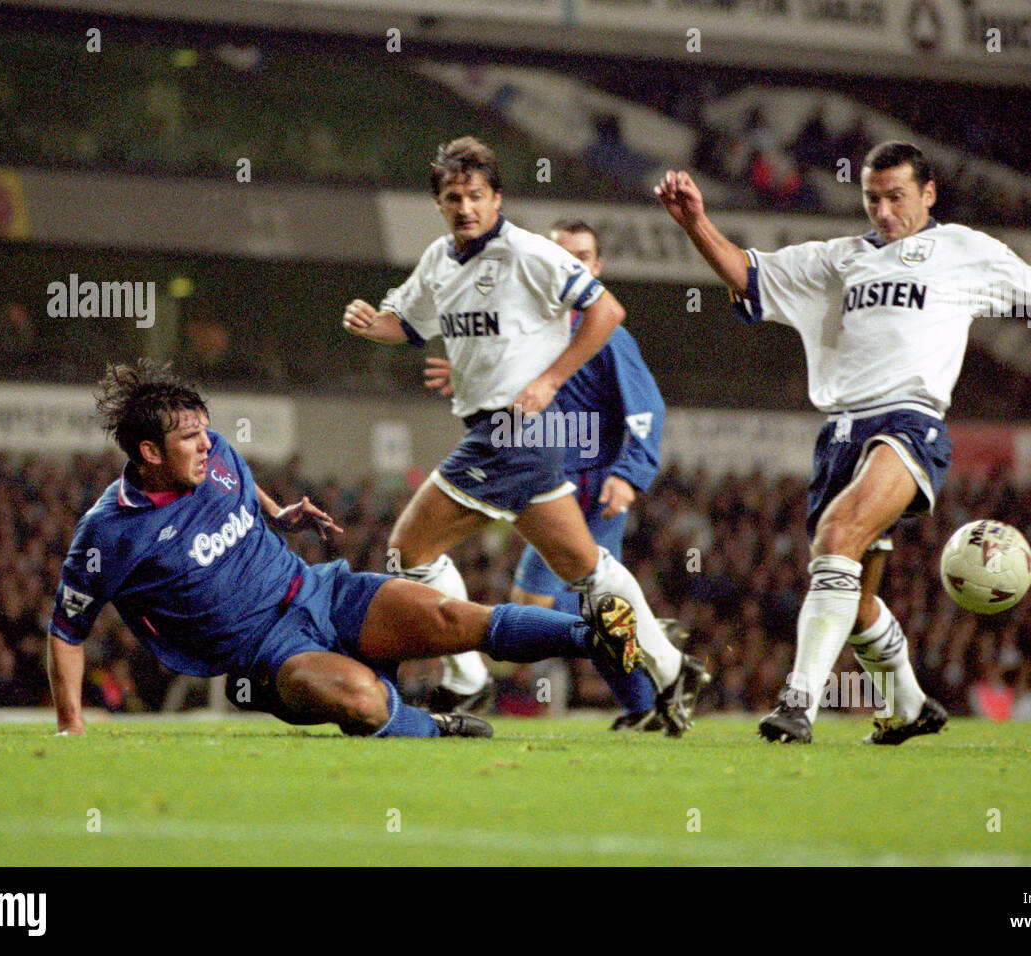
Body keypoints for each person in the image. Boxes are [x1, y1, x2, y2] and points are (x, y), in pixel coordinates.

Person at [656, 140, 1031, 744]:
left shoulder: (964, 251)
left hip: (909, 423)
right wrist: (696, 222)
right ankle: (907, 706)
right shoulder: (838, 259)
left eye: (897, 198)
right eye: (872, 199)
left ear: (929, 193)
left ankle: (797, 703)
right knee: (855, 599)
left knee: (837, 537)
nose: (884, 212)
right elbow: (746, 273)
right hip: (838, 434)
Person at [46, 360, 646, 739]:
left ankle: (596, 636)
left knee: (451, 617)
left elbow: (238, 481)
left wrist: (278, 512)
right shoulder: (110, 533)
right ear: (150, 453)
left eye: (206, 430)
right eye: (189, 439)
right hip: (267, 655)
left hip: (320, 591)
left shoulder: (217, 455)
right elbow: (67, 629)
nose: (207, 444)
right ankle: (431, 729)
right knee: (361, 697)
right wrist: (71, 724)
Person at [343, 137, 707, 734]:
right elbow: (407, 325)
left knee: (408, 551)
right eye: (454, 197)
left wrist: (551, 379)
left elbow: (607, 311)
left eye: (477, 196)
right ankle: (670, 668)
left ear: (497, 198)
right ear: (439, 203)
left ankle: (466, 677)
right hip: (505, 433)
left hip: (513, 432)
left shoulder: (528, 252)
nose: (466, 207)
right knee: (587, 570)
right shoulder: (439, 259)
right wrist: (370, 324)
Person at [423, 218, 683, 731]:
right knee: (563, 604)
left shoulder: (608, 336)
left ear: (597, 267)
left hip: (590, 489)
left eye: (583, 257)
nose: (573, 266)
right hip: (545, 484)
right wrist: (469, 377)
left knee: (540, 604)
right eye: (562, 255)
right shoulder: (529, 329)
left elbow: (646, 409)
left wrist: (629, 475)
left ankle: (645, 653)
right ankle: (646, 683)